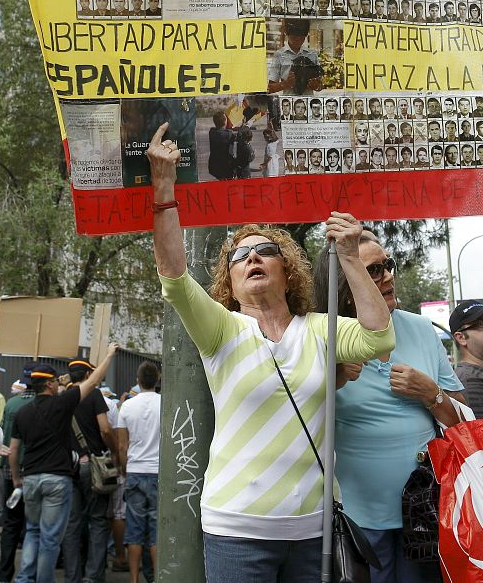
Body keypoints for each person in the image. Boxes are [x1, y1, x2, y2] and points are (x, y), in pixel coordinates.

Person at [146, 126, 395, 582]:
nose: (253, 258)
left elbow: (379, 339)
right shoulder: (221, 330)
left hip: (312, 534)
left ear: (288, 272)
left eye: (265, 250)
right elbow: (175, 277)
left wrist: (351, 259)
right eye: (240, 257)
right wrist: (163, 187)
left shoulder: (320, 329)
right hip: (236, 532)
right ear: (231, 280)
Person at [313, 231, 464, 583]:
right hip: (354, 520)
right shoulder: (324, 337)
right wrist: (331, 377)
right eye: (373, 270)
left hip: (425, 512)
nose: (388, 277)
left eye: (388, 266)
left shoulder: (422, 329)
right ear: (344, 286)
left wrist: (431, 393)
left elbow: (464, 421)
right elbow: (295, 418)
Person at [10, 348, 118, 583]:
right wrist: (109, 355)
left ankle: (41, 577)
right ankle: (68, 578)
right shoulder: (64, 403)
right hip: (65, 475)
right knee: (67, 530)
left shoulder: (23, 412)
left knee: (42, 530)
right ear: (49, 385)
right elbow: (96, 388)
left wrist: (17, 477)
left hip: (40, 476)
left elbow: (14, 449)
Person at [61, 357, 119, 583]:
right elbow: (105, 429)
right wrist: (114, 452)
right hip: (94, 467)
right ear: (87, 375)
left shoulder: (63, 397)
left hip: (69, 467)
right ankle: (93, 576)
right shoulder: (94, 395)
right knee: (97, 521)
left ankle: (72, 576)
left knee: (73, 524)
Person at [117, 362, 161, 583]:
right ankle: (158, 578)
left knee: (134, 530)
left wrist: (125, 471)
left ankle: (133, 579)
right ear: (158, 379)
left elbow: (122, 446)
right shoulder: (166, 404)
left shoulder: (126, 407)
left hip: (135, 471)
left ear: (137, 379)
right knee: (155, 533)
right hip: (158, 472)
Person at [0, 362, 36, 583]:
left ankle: (3, 575)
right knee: (33, 526)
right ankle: (28, 575)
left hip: (9, 470)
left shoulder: (11, 404)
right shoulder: (41, 404)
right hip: (33, 469)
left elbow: (2, 437)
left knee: (11, 524)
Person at [267, 19, 321, 95]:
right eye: (294, 37)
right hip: (288, 103)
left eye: (301, 37)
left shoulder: (312, 54)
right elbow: (270, 88)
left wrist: (315, 85)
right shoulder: (279, 55)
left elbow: (320, 86)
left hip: (308, 102)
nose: (298, 40)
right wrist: (286, 84)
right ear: (287, 34)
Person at [208, 112, 235, 181]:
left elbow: (220, 130)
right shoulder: (229, 134)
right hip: (226, 165)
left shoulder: (212, 132)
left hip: (215, 164)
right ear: (225, 121)